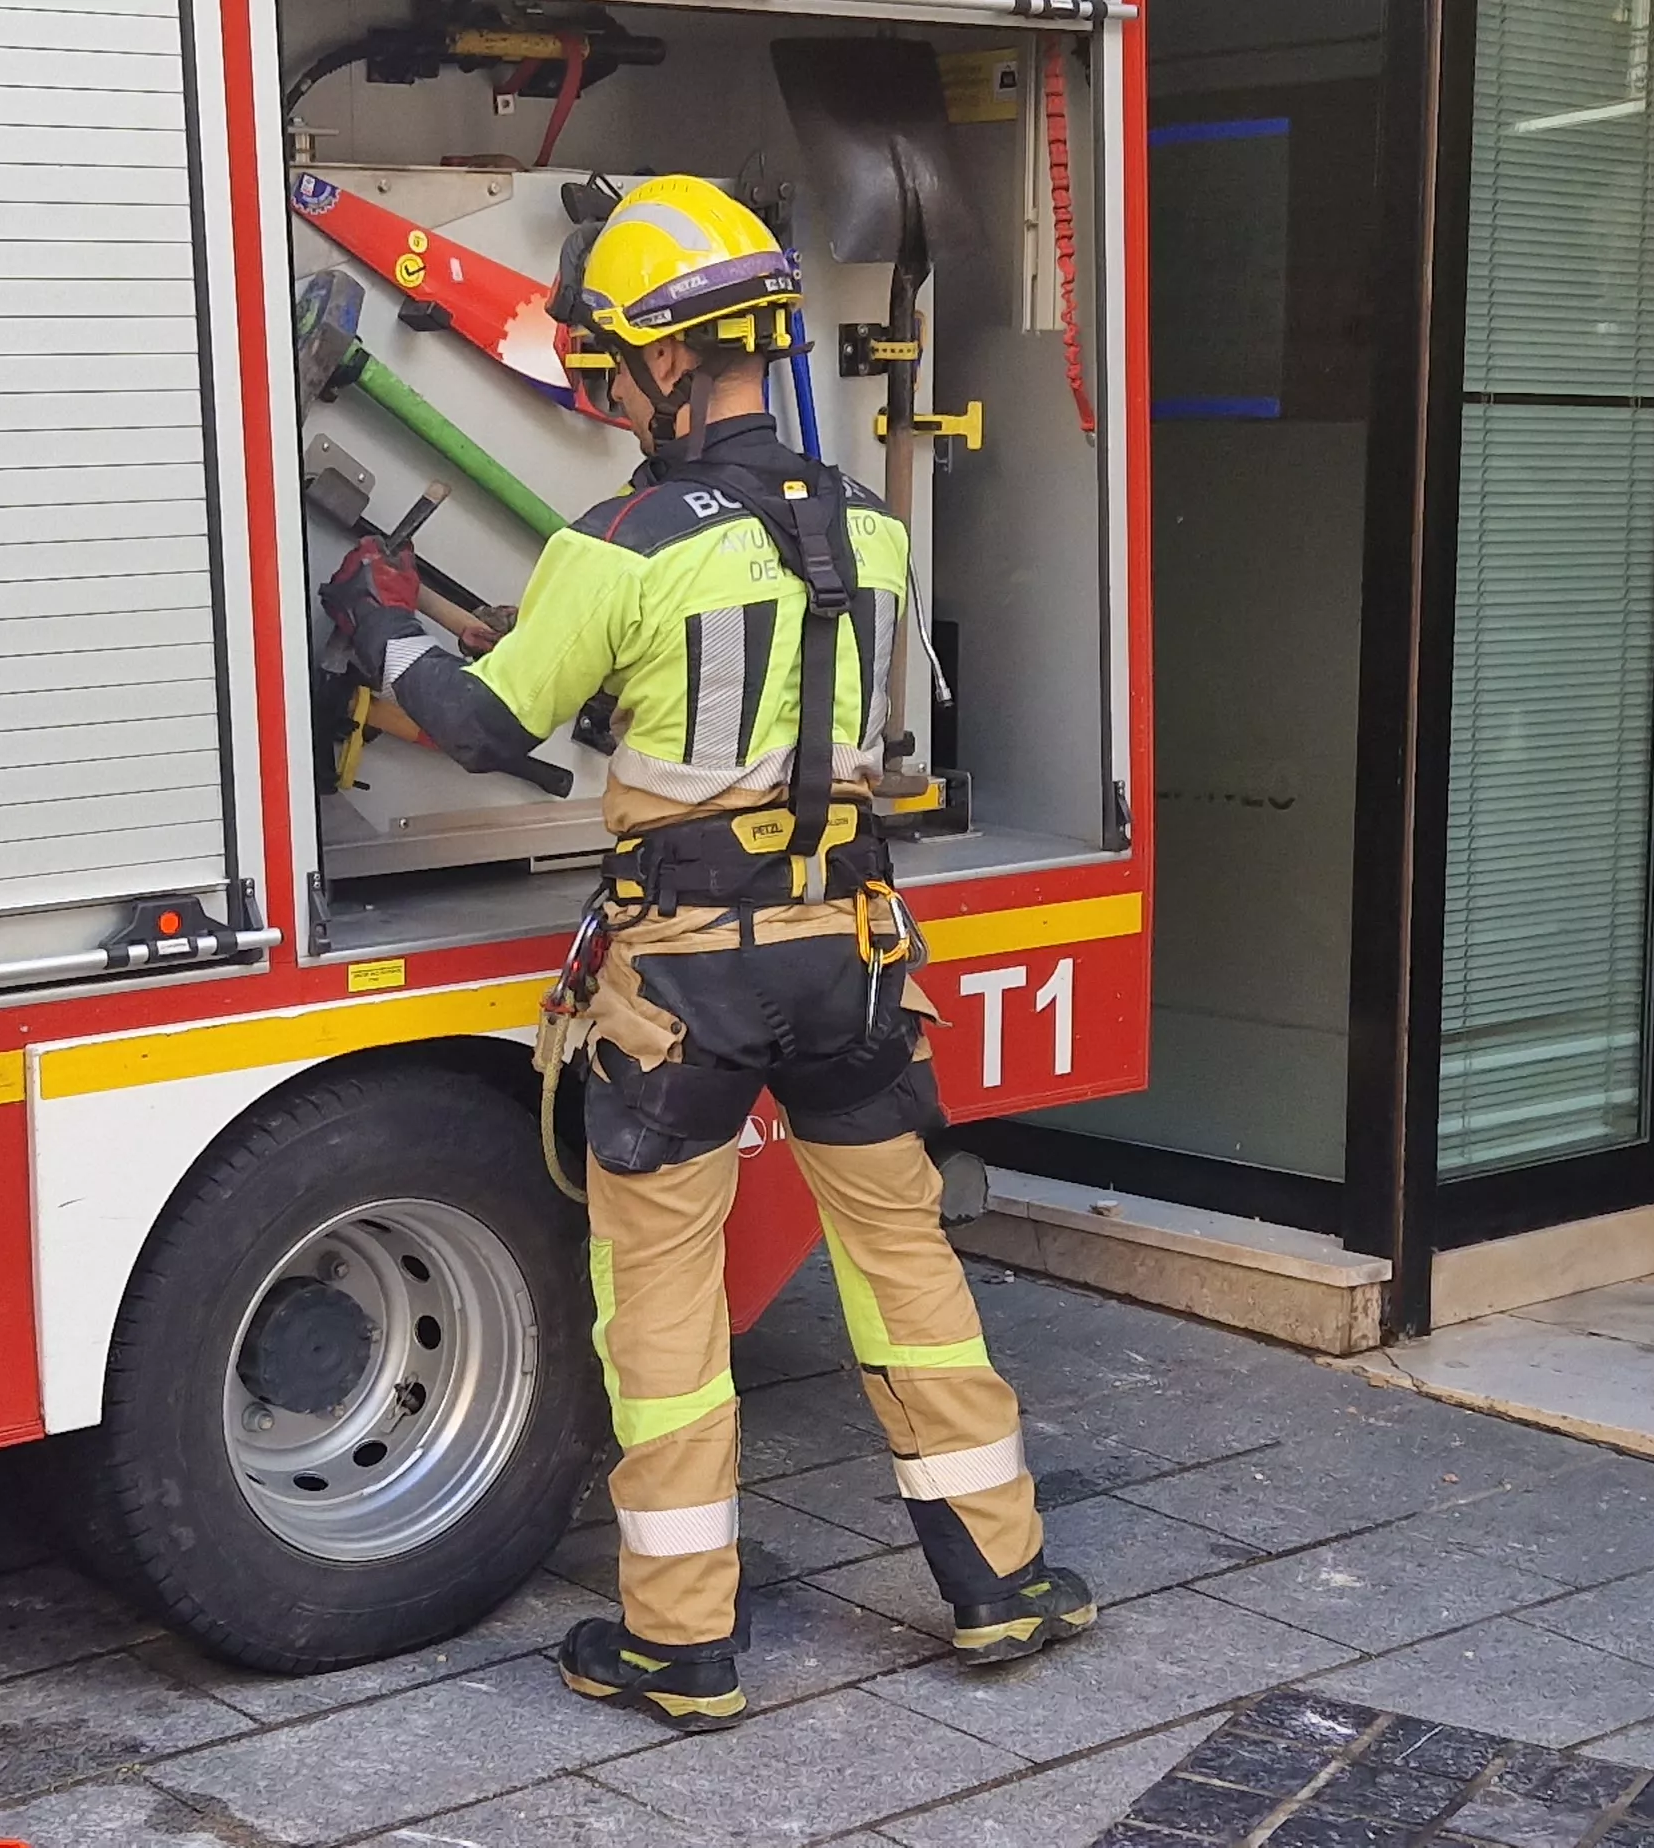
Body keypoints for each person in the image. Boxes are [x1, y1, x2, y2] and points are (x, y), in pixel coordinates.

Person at [323, 175, 1094, 1732]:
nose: (599, 390)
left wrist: (377, 620)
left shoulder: (619, 543)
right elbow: (771, 711)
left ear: (667, 363)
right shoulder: (869, 528)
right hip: (857, 957)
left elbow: (487, 725)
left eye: (606, 360)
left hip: (684, 985)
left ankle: (681, 1641)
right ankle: (1000, 1580)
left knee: (661, 1305)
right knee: (909, 1267)